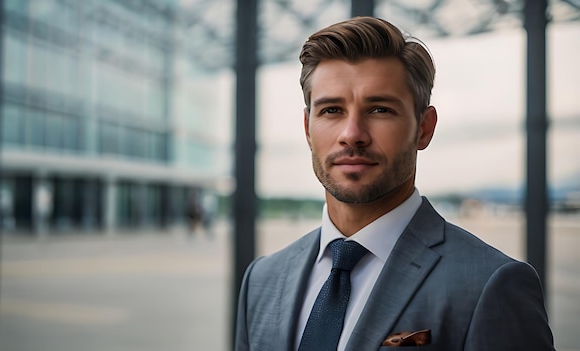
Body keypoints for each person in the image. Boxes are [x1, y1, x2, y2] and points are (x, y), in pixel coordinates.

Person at [234, 17, 554, 351]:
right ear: (307, 128)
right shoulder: (262, 279)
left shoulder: (490, 285)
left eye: (379, 109)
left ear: (424, 128)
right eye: (331, 110)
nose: (352, 134)